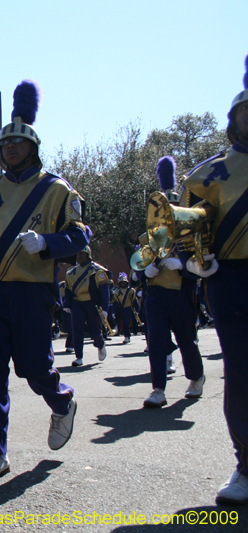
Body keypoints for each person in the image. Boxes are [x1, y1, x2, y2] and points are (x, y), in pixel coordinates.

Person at [0, 81, 88, 481]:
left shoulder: (57, 190)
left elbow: (80, 237)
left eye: (17, 142)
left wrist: (48, 243)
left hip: (33, 293)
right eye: (4, 144)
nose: (10, 148)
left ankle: (62, 401)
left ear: (33, 146)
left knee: (34, 370)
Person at [179, 59, 248, 503]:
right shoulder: (207, 173)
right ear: (233, 118)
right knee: (241, 371)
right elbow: (182, 227)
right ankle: (246, 464)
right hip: (232, 277)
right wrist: (194, 259)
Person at [140, 156, 205, 410]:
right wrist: (146, 270)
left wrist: (183, 266)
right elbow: (140, 262)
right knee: (155, 340)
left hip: (182, 293)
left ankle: (196, 377)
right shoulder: (153, 235)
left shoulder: (192, 234)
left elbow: (203, 264)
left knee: (186, 339)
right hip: (156, 294)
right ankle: (158, 389)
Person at [64, 246, 110, 366]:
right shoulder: (71, 272)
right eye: (77, 254)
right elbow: (68, 289)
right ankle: (79, 357)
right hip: (77, 303)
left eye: (82, 253)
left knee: (94, 331)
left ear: (88, 255)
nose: (79, 256)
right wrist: (67, 304)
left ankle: (100, 344)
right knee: (76, 330)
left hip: (92, 303)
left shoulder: (97, 270)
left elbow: (104, 291)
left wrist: (105, 308)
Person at [112, 272, 139, 344]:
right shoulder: (117, 292)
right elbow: (115, 303)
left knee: (126, 322)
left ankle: (129, 335)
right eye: (122, 282)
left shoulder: (131, 291)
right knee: (123, 323)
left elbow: (134, 301)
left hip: (129, 308)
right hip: (121, 309)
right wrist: (114, 312)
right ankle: (126, 336)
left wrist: (137, 310)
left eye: (124, 282)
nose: (123, 284)